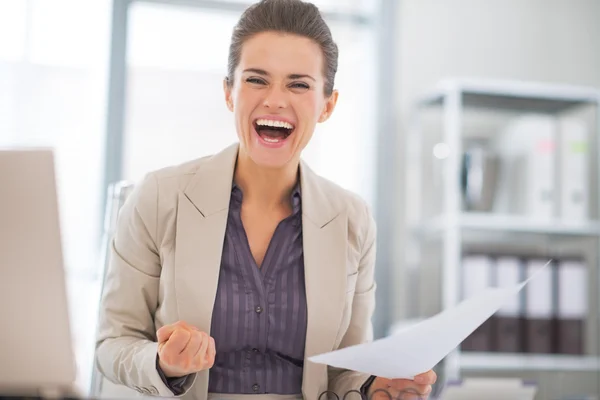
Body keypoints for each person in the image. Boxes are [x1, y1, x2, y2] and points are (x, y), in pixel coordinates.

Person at [95, 0, 437, 399]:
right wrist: (162, 362)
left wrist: (374, 387)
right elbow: (111, 344)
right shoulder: (158, 197)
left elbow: (346, 368)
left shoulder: (352, 219)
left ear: (328, 104)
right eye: (257, 80)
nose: (275, 100)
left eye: (299, 84)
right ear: (229, 92)